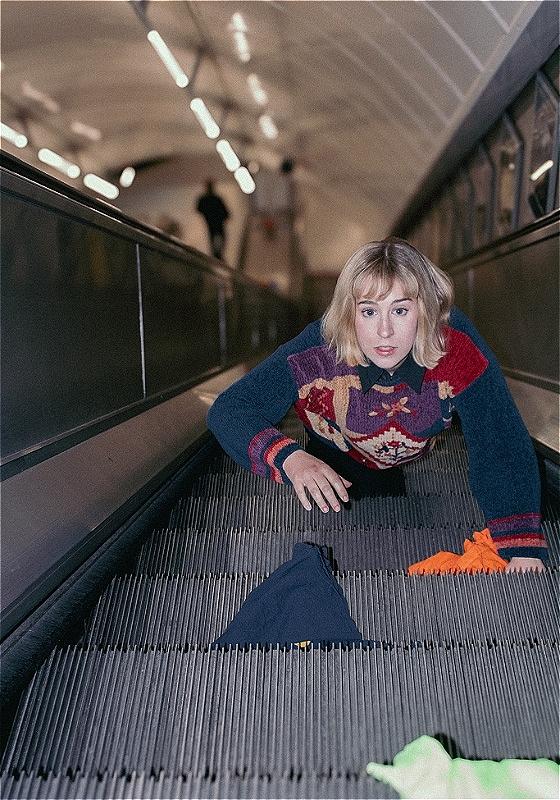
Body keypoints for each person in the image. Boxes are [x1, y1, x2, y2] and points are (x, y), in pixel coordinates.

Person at [207, 238, 548, 572]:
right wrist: (290, 458)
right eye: (369, 311)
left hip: (408, 443)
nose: (384, 331)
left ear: (425, 310)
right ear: (349, 313)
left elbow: (498, 438)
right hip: (339, 449)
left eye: (400, 310)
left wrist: (520, 545)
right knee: (350, 533)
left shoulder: (454, 345)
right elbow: (231, 409)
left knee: (398, 512)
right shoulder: (320, 347)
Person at [196, 180, 229, 260]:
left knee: (216, 239)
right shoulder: (215, 199)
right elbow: (226, 212)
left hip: (213, 223)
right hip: (215, 223)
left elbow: (198, 209)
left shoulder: (207, 199)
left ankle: (217, 255)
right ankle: (217, 255)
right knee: (219, 238)